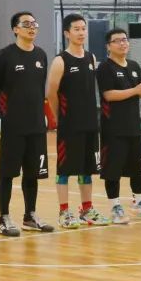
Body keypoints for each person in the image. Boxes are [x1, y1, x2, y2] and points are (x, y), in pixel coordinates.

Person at [0, 12, 55, 236]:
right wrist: (6, 113)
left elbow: (39, 88)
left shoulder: (41, 55)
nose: (31, 27)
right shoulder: (5, 56)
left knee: (33, 173)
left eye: (34, 23)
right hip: (13, 126)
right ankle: (4, 218)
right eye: (26, 24)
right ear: (15, 29)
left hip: (36, 125)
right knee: (8, 173)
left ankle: (30, 216)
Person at [47, 14, 110, 228]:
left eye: (83, 28)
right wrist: (59, 117)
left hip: (90, 123)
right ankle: (64, 212)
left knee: (86, 169)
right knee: (65, 170)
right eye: (76, 29)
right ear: (67, 33)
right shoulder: (60, 61)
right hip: (69, 125)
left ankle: (87, 210)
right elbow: (51, 93)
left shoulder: (91, 58)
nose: (81, 32)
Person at [96, 28, 141, 223]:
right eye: (117, 41)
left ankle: (139, 203)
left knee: (140, 168)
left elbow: (137, 92)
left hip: (134, 127)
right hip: (113, 128)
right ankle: (115, 208)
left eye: (124, 40)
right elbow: (109, 95)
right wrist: (136, 90)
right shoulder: (105, 68)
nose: (122, 43)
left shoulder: (133, 65)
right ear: (108, 46)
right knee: (113, 170)